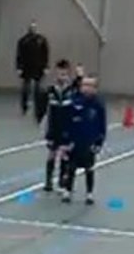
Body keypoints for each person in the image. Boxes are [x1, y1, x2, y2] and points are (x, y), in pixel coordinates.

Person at [63, 76, 107, 205]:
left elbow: (102, 126)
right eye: (84, 85)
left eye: (90, 85)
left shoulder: (98, 104)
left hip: (90, 142)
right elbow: (68, 121)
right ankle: (67, 190)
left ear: (95, 88)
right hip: (75, 141)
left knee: (89, 168)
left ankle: (89, 193)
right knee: (71, 168)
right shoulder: (75, 101)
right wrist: (67, 140)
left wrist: (99, 142)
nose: (86, 88)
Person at [43, 59, 76, 192]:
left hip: (66, 127)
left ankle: (62, 179)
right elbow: (47, 110)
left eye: (64, 74)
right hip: (53, 127)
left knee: (64, 154)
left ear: (68, 75)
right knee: (51, 153)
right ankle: (48, 180)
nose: (61, 77)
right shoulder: (51, 91)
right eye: (59, 74)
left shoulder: (72, 91)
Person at [15, 21, 49, 117]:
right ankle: (24, 107)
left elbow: (45, 54)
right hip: (26, 67)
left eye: (35, 27)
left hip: (38, 67)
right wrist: (19, 67)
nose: (33, 29)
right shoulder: (23, 40)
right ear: (29, 28)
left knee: (38, 89)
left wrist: (46, 67)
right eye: (32, 27)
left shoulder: (42, 40)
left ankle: (38, 108)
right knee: (26, 89)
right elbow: (19, 55)